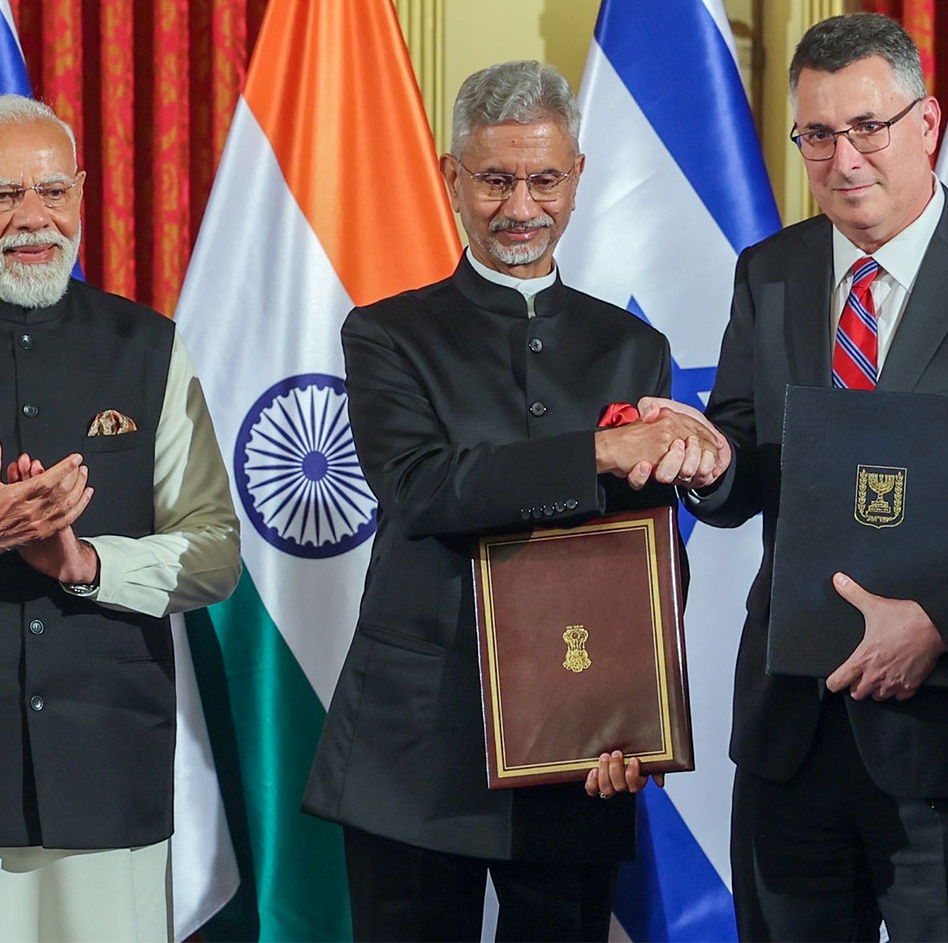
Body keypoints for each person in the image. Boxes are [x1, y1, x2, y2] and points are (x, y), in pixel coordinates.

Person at [652, 12, 948, 940]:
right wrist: (704, 461)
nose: (844, 157)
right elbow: (746, 469)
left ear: (928, 121)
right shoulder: (770, 273)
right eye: (817, 135)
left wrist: (938, 623)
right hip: (796, 735)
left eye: (869, 126)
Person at [303, 60, 726, 943]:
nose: (519, 207)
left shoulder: (632, 344)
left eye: (543, 179)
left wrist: (636, 720)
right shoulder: (386, 332)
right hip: (416, 748)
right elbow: (422, 489)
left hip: (581, 744)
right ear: (451, 177)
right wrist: (600, 448)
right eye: (494, 180)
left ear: (577, 178)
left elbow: (650, 552)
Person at [0, 93, 242, 942]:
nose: (34, 219)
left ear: (82, 197)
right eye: (2, 196)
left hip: (107, 773)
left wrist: (88, 565)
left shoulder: (150, 346)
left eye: (53, 192)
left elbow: (215, 556)